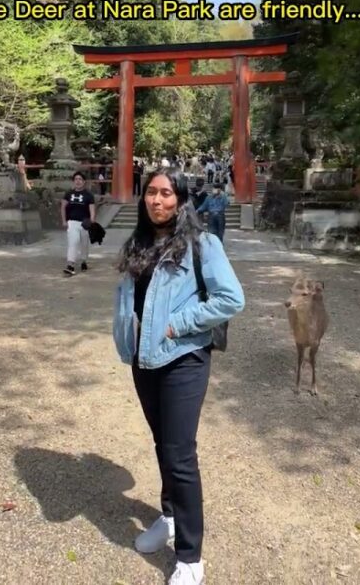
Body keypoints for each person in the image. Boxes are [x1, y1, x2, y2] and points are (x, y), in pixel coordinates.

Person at [111, 167, 245, 585]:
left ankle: (191, 557)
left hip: (183, 359)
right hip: (144, 359)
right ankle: (168, 516)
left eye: (167, 193)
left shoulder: (202, 244)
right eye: (151, 192)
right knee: (161, 444)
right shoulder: (138, 242)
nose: (157, 201)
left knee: (180, 455)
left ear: (182, 199)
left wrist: (180, 322)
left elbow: (231, 298)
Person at [61, 171, 96, 276]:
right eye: (76, 179)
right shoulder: (68, 194)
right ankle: (70, 265)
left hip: (84, 223)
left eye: (80, 179)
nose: (78, 181)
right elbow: (63, 207)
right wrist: (64, 220)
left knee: (84, 244)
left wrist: (92, 220)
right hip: (72, 222)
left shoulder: (89, 195)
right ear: (73, 181)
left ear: (84, 182)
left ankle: (84, 261)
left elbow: (92, 210)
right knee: (73, 242)